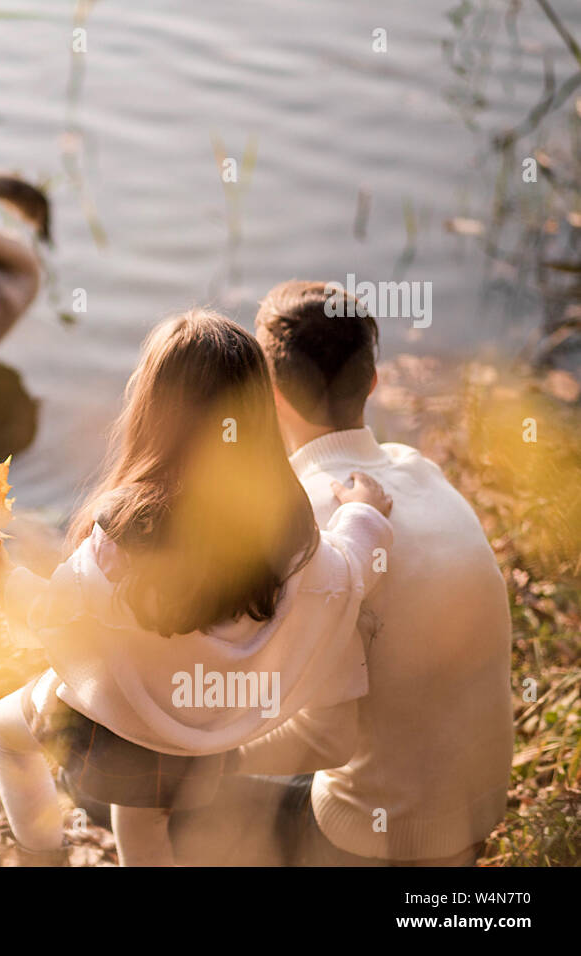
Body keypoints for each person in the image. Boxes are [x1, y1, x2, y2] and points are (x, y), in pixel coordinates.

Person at [0, 309, 394, 865]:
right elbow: (349, 573)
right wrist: (362, 514)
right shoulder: (288, 525)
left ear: (151, 412)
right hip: (207, 736)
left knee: (5, 730)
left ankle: (40, 856)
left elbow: (57, 615)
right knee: (143, 822)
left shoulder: (126, 528)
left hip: (119, 731)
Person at [168, 281, 514, 867]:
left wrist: (202, 756)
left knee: (172, 794)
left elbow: (327, 739)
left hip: (375, 840)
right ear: (373, 383)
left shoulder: (301, 522)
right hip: (471, 817)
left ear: (268, 394)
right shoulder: (423, 473)